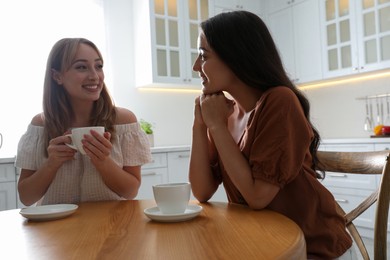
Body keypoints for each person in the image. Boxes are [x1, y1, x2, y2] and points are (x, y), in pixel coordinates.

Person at [189, 11, 354, 259]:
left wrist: (216, 127)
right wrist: (200, 124)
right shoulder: (226, 115)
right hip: (265, 246)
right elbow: (202, 191)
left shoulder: (279, 101)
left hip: (314, 248)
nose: (195, 67)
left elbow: (257, 197)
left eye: (203, 56)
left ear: (236, 56)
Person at [16, 38, 152, 206]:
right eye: (81, 67)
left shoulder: (123, 121)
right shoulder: (40, 126)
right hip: (55, 228)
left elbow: (130, 192)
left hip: (110, 224)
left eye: (99, 66)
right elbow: (26, 197)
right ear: (57, 76)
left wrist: (103, 161)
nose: (95, 76)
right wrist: (51, 164)